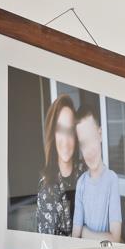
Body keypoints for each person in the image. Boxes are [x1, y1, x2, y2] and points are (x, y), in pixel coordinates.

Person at [72, 110, 123, 242]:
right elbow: (75, 236)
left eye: (91, 139)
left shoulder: (112, 179)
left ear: (100, 135)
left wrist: (85, 232)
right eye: (83, 143)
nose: (88, 150)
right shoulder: (81, 183)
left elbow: (115, 239)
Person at [34, 95, 80, 237]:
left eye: (70, 131)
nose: (65, 140)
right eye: (60, 129)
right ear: (53, 133)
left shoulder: (86, 174)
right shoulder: (46, 189)